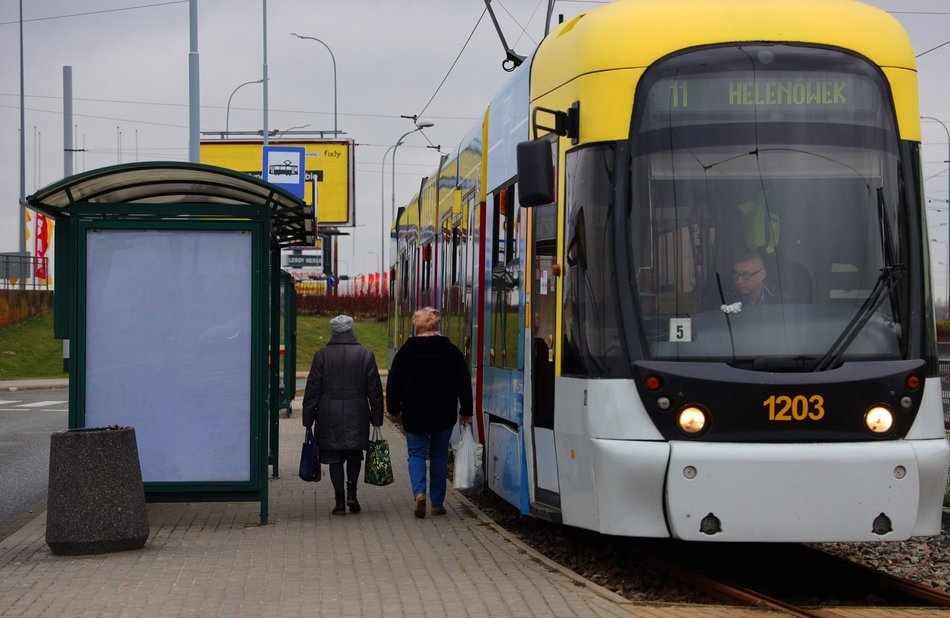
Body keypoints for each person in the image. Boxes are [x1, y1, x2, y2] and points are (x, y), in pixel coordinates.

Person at [386, 306, 473, 519]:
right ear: (437, 324)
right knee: (439, 456)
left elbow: (394, 381)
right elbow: (464, 383)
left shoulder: (406, 352)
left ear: (417, 326)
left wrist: (394, 408)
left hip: (415, 412)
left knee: (415, 454)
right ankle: (437, 503)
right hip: (443, 413)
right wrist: (467, 411)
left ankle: (419, 493)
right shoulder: (451, 351)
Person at [302, 314, 384, 515]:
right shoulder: (366, 355)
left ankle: (339, 502)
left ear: (333, 331)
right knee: (354, 454)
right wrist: (377, 417)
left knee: (334, 458)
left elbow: (312, 389)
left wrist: (307, 419)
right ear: (351, 330)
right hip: (358, 413)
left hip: (328, 415)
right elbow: (374, 390)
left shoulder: (321, 356)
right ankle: (352, 494)